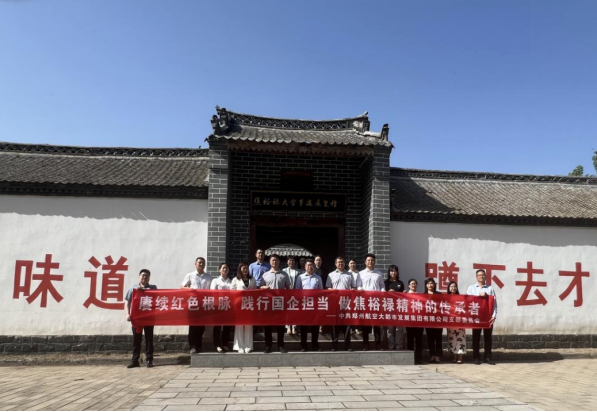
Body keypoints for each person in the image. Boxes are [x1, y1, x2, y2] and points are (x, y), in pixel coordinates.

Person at [125, 269, 157, 368]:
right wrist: (128, 314)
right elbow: (127, 302)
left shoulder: (153, 288)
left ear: (149, 278)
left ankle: (149, 360)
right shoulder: (133, 289)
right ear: (139, 276)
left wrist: (145, 291)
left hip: (149, 317)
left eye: (146, 276)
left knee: (149, 339)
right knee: (136, 339)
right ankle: (135, 360)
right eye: (143, 275)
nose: (144, 277)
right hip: (136, 318)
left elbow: (156, 297)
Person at [181, 257, 212, 354]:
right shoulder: (190, 275)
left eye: (203, 263)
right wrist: (191, 290)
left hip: (204, 304)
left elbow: (211, 290)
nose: (201, 264)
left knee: (201, 327)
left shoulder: (208, 276)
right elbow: (182, 287)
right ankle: (192, 346)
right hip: (193, 304)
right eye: (199, 262)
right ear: (195, 264)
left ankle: (199, 346)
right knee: (193, 326)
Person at [261, 254, 291, 354]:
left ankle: (281, 346)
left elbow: (288, 288)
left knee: (280, 326)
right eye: (273, 260)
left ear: (279, 262)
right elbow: (260, 287)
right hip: (268, 304)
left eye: (276, 260)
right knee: (268, 326)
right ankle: (268, 346)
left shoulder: (284, 274)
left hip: (280, 303)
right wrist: (263, 287)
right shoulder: (265, 275)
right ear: (270, 262)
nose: (275, 262)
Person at [467, 269, 498, 365]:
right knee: (476, 337)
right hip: (476, 317)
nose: (481, 276)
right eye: (479, 275)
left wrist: (494, 315)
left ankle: (487, 357)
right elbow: (468, 300)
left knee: (488, 338)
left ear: (486, 276)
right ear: (476, 277)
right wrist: (479, 295)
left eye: (483, 275)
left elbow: (494, 303)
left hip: (487, 317)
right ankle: (476, 357)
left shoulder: (490, 289)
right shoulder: (471, 288)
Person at [356, 253, 385, 351]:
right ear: (365, 262)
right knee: (365, 324)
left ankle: (378, 344)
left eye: (372, 260)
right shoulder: (360, 273)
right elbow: (358, 285)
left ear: (375, 262)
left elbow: (382, 285)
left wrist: (383, 291)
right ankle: (365, 343)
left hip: (376, 302)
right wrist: (361, 290)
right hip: (365, 301)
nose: (370, 262)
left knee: (377, 324)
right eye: (368, 260)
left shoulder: (379, 273)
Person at [326, 257, 355, 352]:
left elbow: (353, 287)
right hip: (335, 303)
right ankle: (334, 345)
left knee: (347, 325)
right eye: (338, 262)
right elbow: (328, 288)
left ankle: (347, 345)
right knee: (335, 324)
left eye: (342, 262)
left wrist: (351, 291)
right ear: (335, 264)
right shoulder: (331, 275)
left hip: (347, 303)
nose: (340, 264)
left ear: (345, 263)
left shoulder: (349, 275)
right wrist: (334, 290)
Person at [295, 259, 324, 352]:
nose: (310, 267)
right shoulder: (300, 277)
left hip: (315, 305)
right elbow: (297, 291)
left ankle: (315, 345)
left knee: (315, 326)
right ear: (305, 267)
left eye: (311, 265)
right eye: (308, 265)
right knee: (304, 326)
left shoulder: (318, 278)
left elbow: (321, 291)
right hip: (304, 305)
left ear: (314, 267)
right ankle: (304, 345)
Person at [231, 262, 256, 353]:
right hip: (239, 305)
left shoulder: (252, 279)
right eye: (243, 268)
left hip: (249, 304)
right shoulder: (235, 279)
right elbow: (231, 292)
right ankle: (240, 346)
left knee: (249, 325)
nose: (245, 270)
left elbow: (255, 291)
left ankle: (248, 346)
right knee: (239, 326)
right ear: (240, 269)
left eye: (246, 268)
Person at [211, 263, 233, 353]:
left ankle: (225, 344)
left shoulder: (231, 281)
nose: (225, 269)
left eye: (226, 268)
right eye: (223, 268)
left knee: (227, 326)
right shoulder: (215, 281)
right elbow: (212, 293)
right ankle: (217, 345)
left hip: (228, 306)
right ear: (219, 270)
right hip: (218, 306)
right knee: (217, 326)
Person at [385, 265, 405, 350]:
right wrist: (388, 292)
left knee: (399, 327)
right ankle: (391, 344)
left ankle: (399, 344)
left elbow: (403, 296)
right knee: (390, 327)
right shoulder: (385, 282)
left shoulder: (400, 283)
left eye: (395, 271)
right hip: (389, 307)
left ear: (397, 272)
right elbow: (382, 294)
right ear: (389, 272)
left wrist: (404, 293)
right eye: (391, 271)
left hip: (398, 307)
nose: (393, 273)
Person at [446, 281, 466, 364]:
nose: (453, 288)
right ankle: (454, 357)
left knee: (460, 339)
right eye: (451, 286)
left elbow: (464, 308)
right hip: (450, 322)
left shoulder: (460, 297)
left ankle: (460, 357)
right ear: (449, 288)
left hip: (459, 322)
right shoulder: (446, 298)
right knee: (452, 339)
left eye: (454, 286)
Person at [405, 279, 424, 365]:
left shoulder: (421, 296)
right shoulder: (405, 295)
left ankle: (419, 359)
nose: (413, 285)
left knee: (419, 341)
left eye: (415, 283)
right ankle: (410, 358)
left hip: (419, 321)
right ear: (408, 286)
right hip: (409, 321)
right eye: (412, 284)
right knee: (410, 340)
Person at [425, 278, 443, 363]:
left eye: (432, 283)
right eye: (428, 283)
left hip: (438, 320)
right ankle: (432, 355)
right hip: (428, 320)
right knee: (430, 339)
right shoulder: (423, 295)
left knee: (438, 338)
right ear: (426, 285)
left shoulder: (439, 294)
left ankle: (438, 356)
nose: (430, 285)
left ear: (434, 285)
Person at [284, 256, 301, 335]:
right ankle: (288, 327)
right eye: (290, 260)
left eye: (293, 260)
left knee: (295, 311)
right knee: (287, 311)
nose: (291, 262)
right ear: (287, 262)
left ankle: (294, 327)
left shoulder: (298, 271)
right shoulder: (284, 270)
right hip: (287, 293)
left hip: (295, 293)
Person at [348, 259, 362, 335]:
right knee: (350, 311)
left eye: (354, 263)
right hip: (348, 295)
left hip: (357, 295)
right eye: (351, 263)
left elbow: (360, 284)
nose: (352, 265)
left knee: (357, 311)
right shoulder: (347, 273)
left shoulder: (359, 273)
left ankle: (357, 327)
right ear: (348, 265)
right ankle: (351, 328)